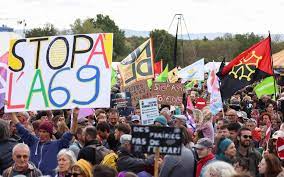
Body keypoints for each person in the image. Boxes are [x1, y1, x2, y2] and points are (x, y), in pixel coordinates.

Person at [9, 109, 78, 177]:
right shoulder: (33, 141)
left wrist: (75, 117)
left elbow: (72, 132)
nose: (41, 134)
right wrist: (11, 113)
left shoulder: (58, 144)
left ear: (50, 133)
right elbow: (19, 126)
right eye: (40, 131)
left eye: (44, 132)